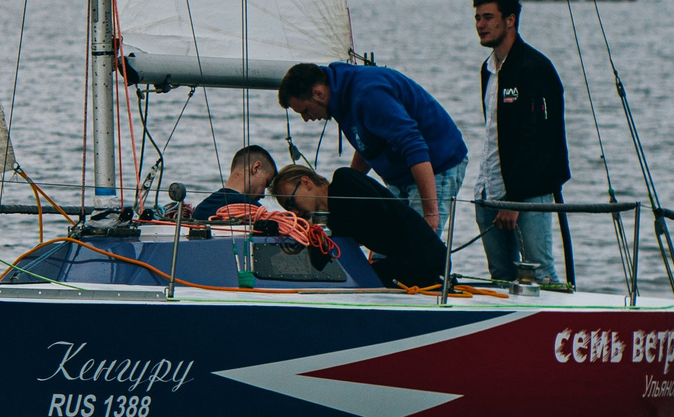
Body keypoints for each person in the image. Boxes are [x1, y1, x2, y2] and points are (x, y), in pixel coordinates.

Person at [275, 60, 468, 235]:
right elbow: (367, 142)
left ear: (318, 93)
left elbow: (413, 146)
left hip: (435, 166)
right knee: (384, 248)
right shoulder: (339, 98)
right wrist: (346, 191)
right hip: (399, 176)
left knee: (419, 242)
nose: (307, 119)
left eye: (306, 111)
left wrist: (431, 213)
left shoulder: (368, 94)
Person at [471, 0, 572, 289]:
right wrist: (490, 194)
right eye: (477, 18)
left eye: (488, 17)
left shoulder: (534, 68)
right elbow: (494, 132)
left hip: (528, 194)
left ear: (510, 20)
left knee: (540, 274)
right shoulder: (488, 69)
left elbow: (538, 139)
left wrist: (515, 200)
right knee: (501, 278)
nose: (480, 24)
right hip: (489, 190)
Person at [271, 164, 447, 286]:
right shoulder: (328, 220)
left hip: (426, 258)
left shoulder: (344, 179)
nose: (294, 211)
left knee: (369, 278)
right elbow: (319, 264)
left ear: (306, 182)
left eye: (291, 203)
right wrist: (310, 236)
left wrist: (330, 225)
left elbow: (378, 212)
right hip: (405, 260)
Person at [190, 144, 276, 222]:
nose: (263, 195)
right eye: (266, 183)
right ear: (256, 168)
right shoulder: (255, 213)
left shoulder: (200, 210)